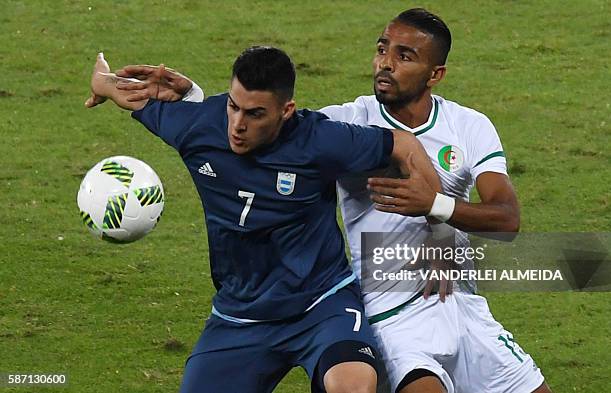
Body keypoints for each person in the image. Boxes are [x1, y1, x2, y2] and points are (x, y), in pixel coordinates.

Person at [111, 8, 556, 393]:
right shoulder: (348, 121)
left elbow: (507, 219)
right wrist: (193, 99)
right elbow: (269, 129)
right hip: (393, 311)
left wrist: (439, 215)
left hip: (464, 303)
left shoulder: (469, 125)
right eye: (383, 49)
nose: (385, 63)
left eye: (405, 56)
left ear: (435, 74)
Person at [86, 46, 442, 393]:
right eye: (233, 106)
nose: (237, 125)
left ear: (286, 110)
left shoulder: (319, 140)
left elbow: (405, 145)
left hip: (321, 305)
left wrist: (441, 230)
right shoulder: (200, 127)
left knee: (354, 385)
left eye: (254, 114)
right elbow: (114, 87)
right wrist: (101, 78)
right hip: (240, 317)